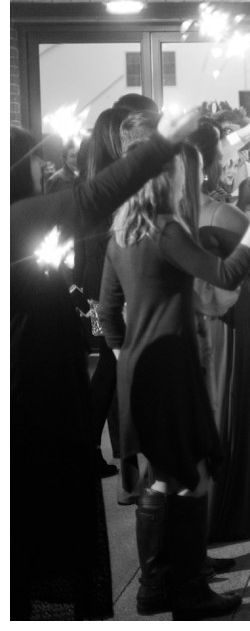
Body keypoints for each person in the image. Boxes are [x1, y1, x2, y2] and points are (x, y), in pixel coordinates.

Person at [10, 111, 199, 620]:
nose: (48, 171)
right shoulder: (15, 220)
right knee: (42, 533)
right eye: (37, 162)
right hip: (34, 405)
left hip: (35, 394)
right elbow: (93, 198)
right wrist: (163, 143)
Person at [99, 140, 250, 620]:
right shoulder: (166, 230)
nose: (189, 180)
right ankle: (188, 591)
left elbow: (108, 312)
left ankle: (156, 586)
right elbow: (222, 275)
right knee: (191, 478)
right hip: (171, 369)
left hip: (140, 369)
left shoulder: (121, 231)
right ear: (167, 177)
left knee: (163, 476)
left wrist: (126, 356)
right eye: (184, 172)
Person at [189, 114, 250, 542]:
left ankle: (196, 518)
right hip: (225, 319)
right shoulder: (220, 214)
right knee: (226, 407)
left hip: (189, 321)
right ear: (205, 164)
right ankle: (223, 515)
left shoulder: (158, 215)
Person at [74, 106, 132, 482]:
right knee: (111, 366)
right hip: (111, 283)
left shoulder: (92, 178)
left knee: (111, 365)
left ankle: (92, 448)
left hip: (97, 282)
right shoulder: (113, 182)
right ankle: (89, 448)